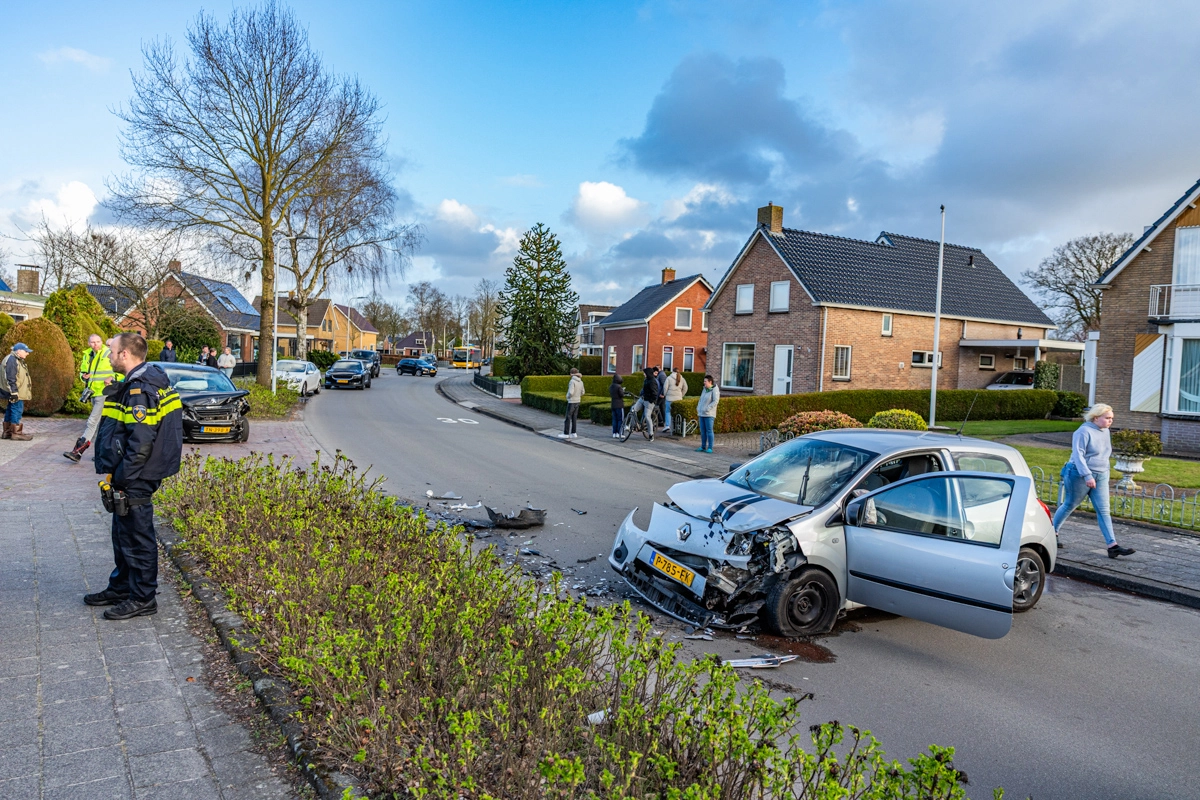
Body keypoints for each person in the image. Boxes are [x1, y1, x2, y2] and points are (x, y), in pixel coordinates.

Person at [85, 332, 184, 619]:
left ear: (125, 354)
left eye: (112, 351)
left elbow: (141, 441)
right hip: (135, 471)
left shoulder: (141, 389)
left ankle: (143, 597)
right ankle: (121, 586)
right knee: (122, 532)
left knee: (137, 535)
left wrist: (123, 478)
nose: (108, 355)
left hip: (138, 474)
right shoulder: (140, 382)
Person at [1052, 403, 1135, 559]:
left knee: (1104, 510)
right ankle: (1052, 532)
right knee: (1070, 504)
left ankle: (1113, 546)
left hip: (1101, 474)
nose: (1111, 421)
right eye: (1107, 418)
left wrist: (1105, 473)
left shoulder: (1105, 431)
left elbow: (1104, 454)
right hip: (1078, 473)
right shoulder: (1083, 431)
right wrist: (1087, 475)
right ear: (1096, 418)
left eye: (1112, 418)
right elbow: (1078, 455)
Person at [64, 334, 123, 463]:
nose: (95, 344)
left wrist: (112, 378)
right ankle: (102, 453)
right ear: (88, 343)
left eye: (98, 342)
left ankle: (78, 450)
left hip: (105, 392)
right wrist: (83, 376)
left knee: (92, 421)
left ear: (101, 342)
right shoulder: (88, 354)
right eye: (92, 342)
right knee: (101, 424)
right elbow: (83, 372)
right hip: (92, 392)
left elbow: (121, 372)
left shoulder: (109, 353)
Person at [0, 343, 34, 441]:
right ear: (18, 351)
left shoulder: (14, 359)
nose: (27, 353)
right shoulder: (12, 360)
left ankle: (7, 432)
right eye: (26, 351)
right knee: (17, 410)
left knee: (11, 409)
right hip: (15, 392)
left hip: (14, 390)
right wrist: (14, 392)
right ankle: (16, 433)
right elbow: (10, 377)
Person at [628, 366, 659, 441]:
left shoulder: (652, 382)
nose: (643, 374)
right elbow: (644, 390)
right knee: (633, 409)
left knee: (647, 416)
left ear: (648, 373)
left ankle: (651, 434)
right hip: (643, 399)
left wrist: (651, 401)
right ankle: (632, 426)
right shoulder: (646, 380)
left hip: (649, 401)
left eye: (644, 373)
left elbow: (654, 394)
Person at [695, 374, 719, 454]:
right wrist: (698, 407)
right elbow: (701, 399)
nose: (704, 383)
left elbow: (715, 401)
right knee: (703, 431)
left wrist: (707, 408)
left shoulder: (714, 390)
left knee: (709, 430)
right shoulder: (704, 389)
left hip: (709, 414)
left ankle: (710, 447)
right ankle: (703, 446)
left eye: (705, 381)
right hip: (701, 413)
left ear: (710, 382)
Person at [559, 368, 584, 439]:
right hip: (578, 400)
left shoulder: (572, 381)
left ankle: (566, 433)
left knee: (568, 417)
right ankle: (574, 433)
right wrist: (578, 395)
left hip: (572, 401)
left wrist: (567, 396)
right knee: (574, 418)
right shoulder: (581, 382)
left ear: (571, 373)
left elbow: (570, 392)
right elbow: (583, 392)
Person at [662, 369, 688, 434]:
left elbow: (665, 388)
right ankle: (677, 427)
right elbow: (686, 388)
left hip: (669, 398)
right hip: (678, 399)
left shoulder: (669, 378)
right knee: (677, 413)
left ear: (672, 371)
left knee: (668, 412)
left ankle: (667, 426)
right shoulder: (682, 378)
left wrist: (665, 394)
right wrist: (681, 395)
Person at [609, 373, 625, 439]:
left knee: (614, 419)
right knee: (620, 419)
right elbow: (621, 395)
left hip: (613, 404)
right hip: (619, 404)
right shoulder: (619, 387)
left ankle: (614, 433)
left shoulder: (611, 386)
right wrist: (623, 391)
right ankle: (619, 432)